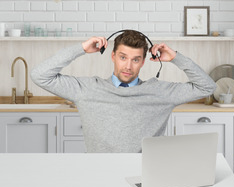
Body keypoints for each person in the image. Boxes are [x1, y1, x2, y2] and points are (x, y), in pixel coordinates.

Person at [30, 30, 216, 153]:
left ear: (143, 61)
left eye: (135, 60)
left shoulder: (160, 92)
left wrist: (176, 57)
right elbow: (40, 75)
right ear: (113, 56)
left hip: (146, 177)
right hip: (98, 175)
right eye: (122, 57)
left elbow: (207, 86)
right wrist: (80, 49)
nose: (128, 66)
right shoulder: (87, 89)